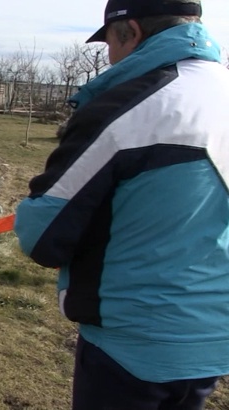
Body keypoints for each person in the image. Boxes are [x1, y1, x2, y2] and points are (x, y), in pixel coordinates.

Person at [14, 1, 229, 409]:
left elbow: (42, 237)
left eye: (110, 41)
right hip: (212, 341)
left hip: (132, 343)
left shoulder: (128, 107)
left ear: (129, 31)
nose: (109, 56)